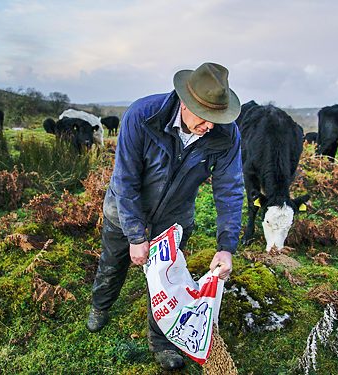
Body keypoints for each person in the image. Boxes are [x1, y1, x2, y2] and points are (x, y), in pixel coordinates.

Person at [86, 62, 244, 371]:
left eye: (217, 118)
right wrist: (135, 235)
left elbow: (230, 189)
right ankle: (100, 308)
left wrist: (226, 245)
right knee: (111, 265)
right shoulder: (142, 116)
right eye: (206, 117)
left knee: (167, 283)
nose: (211, 125)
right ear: (185, 103)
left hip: (173, 219)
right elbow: (125, 179)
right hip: (124, 213)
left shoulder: (226, 135)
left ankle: (161, 342)